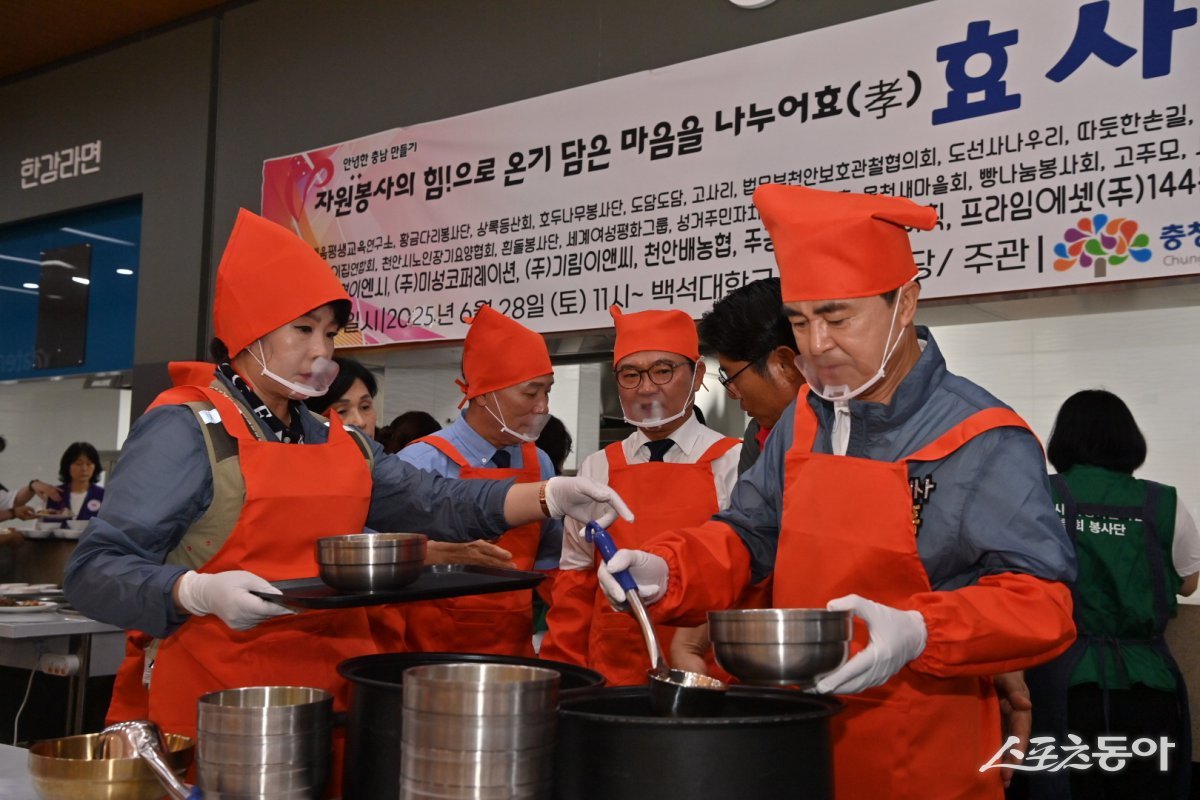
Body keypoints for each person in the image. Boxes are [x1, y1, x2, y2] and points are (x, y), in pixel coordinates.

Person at [62, 210, 632, 788]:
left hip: (333, 701)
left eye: (330, 333)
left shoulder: (337, 440)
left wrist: (549, 496)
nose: (322, 351)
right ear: (248, 332)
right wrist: (197, 591)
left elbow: (436, 502)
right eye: (302, 329)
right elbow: (94, 571)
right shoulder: (188, 428)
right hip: (222, 707)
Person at [594, 185, 1077, 800]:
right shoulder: (803, 416)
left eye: (838, 317)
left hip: (922, 749)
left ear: (904, 303)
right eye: (800, 320)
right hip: (795, 738)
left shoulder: (982, 437)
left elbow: (1043, 603)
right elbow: (750, 534)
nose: (816, 345)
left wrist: (921, 631)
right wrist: (670, 568)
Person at [540, 305, 742, 686]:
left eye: (663, 370)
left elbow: (749, 576)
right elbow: (573, 583)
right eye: (631, 375)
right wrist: (564, 679)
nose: (647, 387)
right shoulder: (596, 468)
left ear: (698, 374)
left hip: (706, 671)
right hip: (612, 669)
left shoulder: (734, 461)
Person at [1022, 389, 1199, 800]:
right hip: (1148, 684)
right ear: (1129, 440)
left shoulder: (1042, 495)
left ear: (1062, 439)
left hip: (1063, 683)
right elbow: (1188, 581)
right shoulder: (1163, 501)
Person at [305, 354, 515, 651]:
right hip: (317, 633)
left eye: (366, 407)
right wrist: (440, 554)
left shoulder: (383, 473)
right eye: (341, 410)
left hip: (382, 632)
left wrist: (545, 497)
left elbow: (439, 501)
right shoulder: (299, 477)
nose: (359, 421)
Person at [397, 306, 564, 657]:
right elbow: (377, 553)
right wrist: (448, 556)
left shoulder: (540, 462)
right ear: (486, 393)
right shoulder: (422, 462)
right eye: (531, 393)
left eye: (547, 391)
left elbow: (552, 559)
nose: (542, 407)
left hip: (513, 651)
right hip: (427, 652)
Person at [697, 277, 805, 474]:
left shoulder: (848, 434)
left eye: (733, 377)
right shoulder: (757, 436)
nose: (733, 394)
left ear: (785, 365)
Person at [42, 442, 105, 523]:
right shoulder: (53, 493)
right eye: (78, 464)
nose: (84, 468)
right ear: (67, 466)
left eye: (89, 464)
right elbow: (39, 527)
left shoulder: (104, 496)